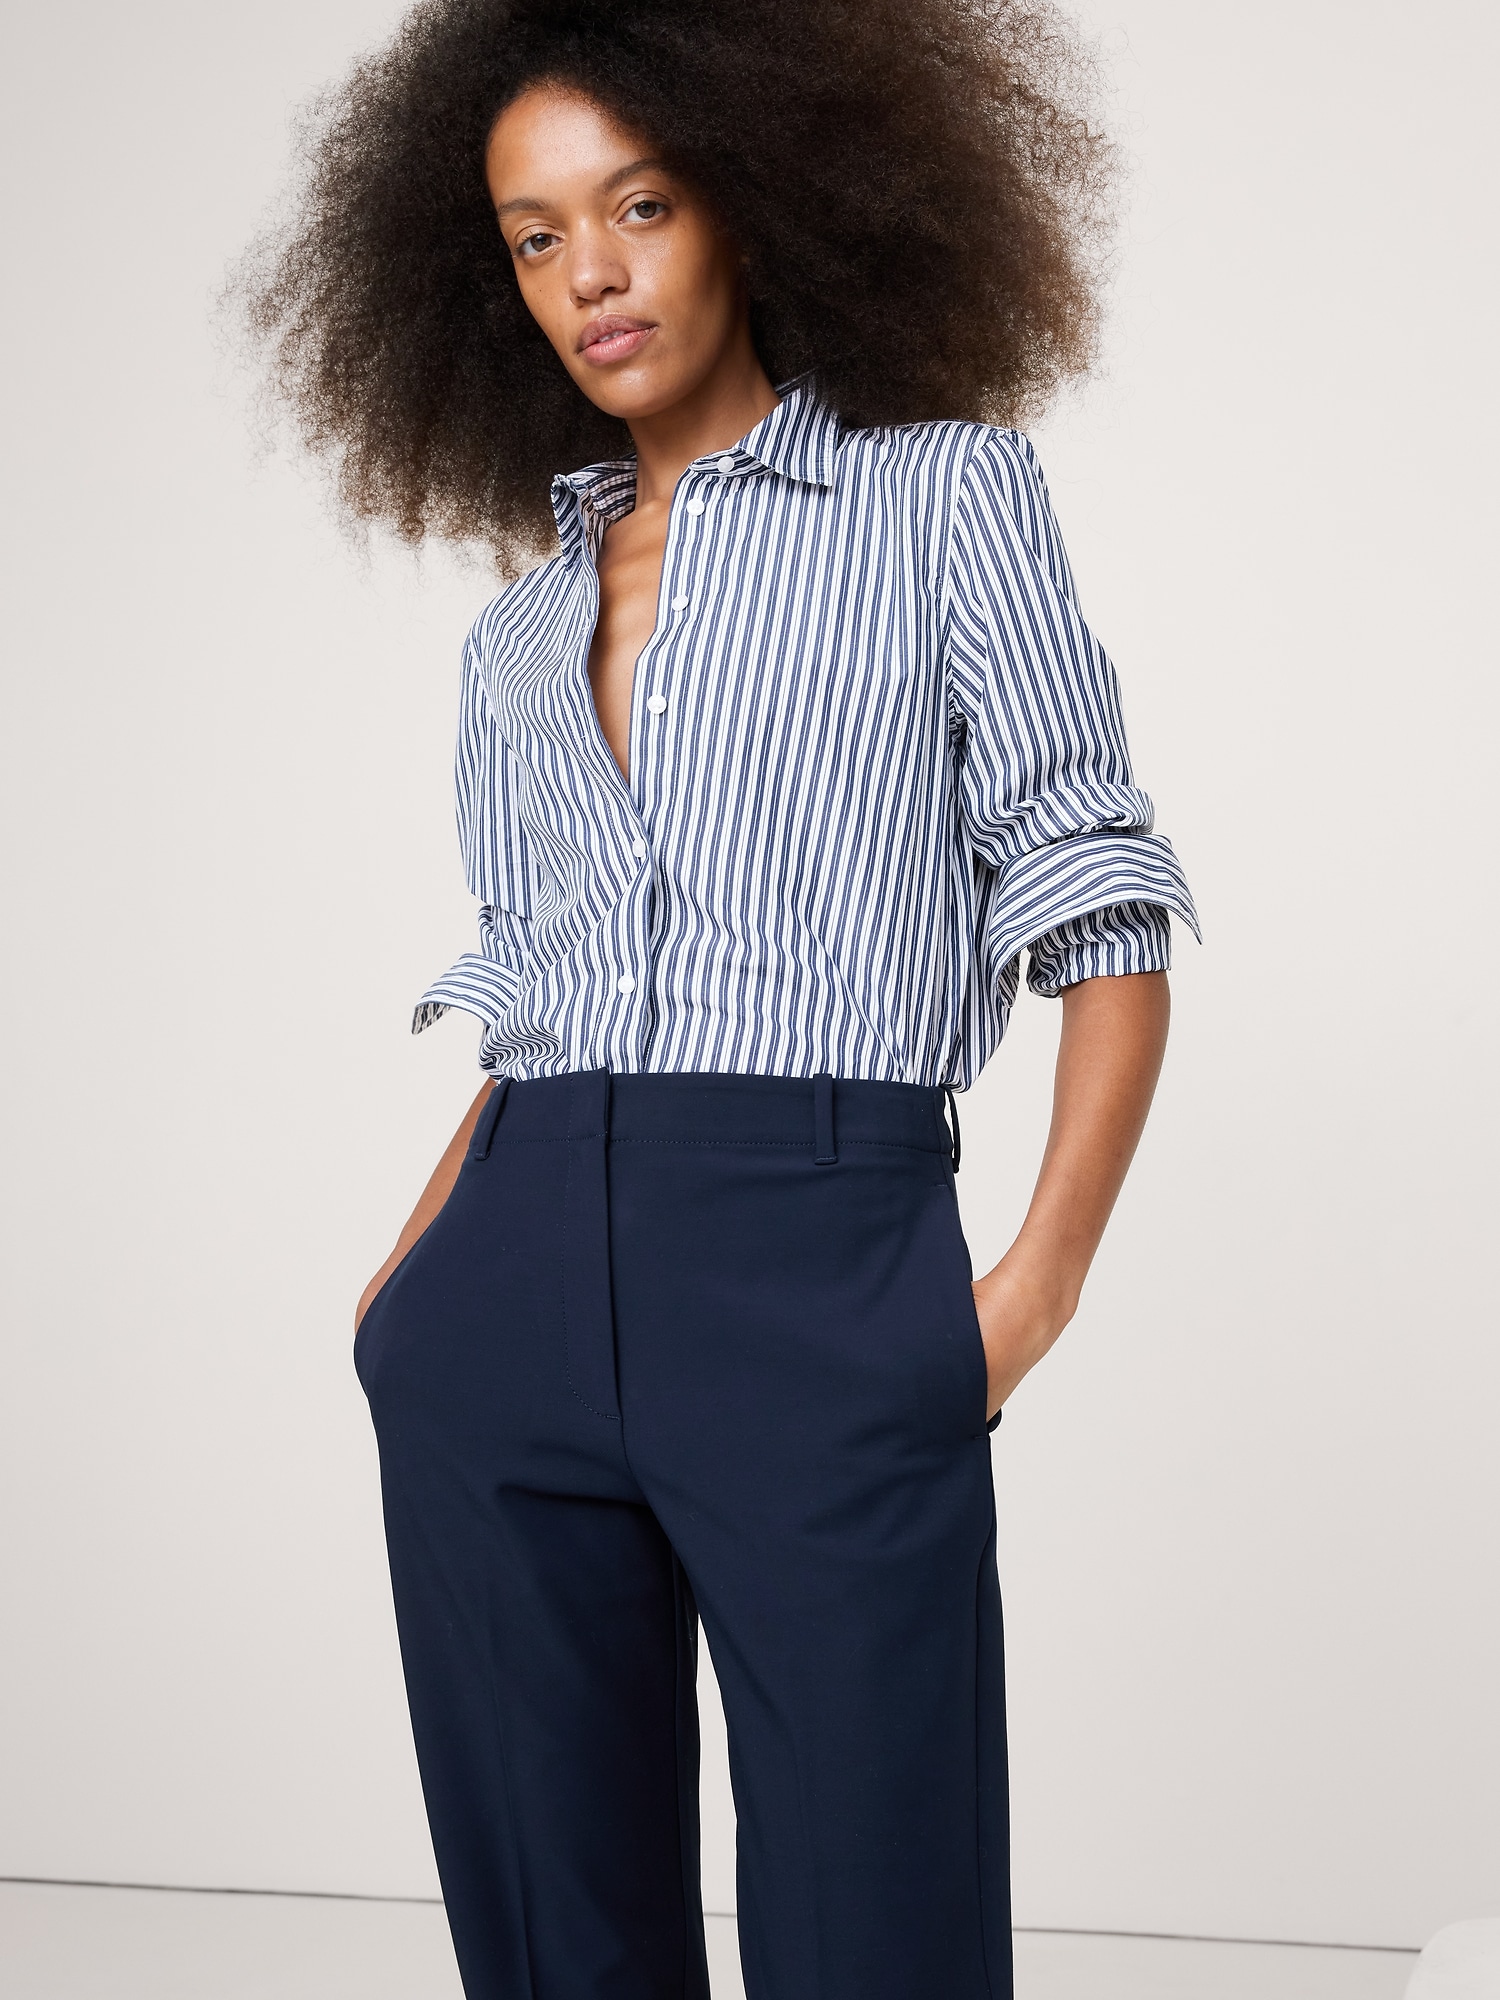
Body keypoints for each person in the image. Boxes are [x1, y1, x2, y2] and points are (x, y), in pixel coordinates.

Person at [245, 3, 1197, 1995]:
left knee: (878, 1923)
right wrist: (407, 1291)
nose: (589, 273)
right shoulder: (520, 634)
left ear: (752, 201)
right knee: (554, 1938)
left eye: (641, 205)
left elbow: (1095, 892)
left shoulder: (944, 501)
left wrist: (1026, 1295)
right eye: (534, 236)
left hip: (819, 1266)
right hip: (511, 1278)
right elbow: (541, 993)